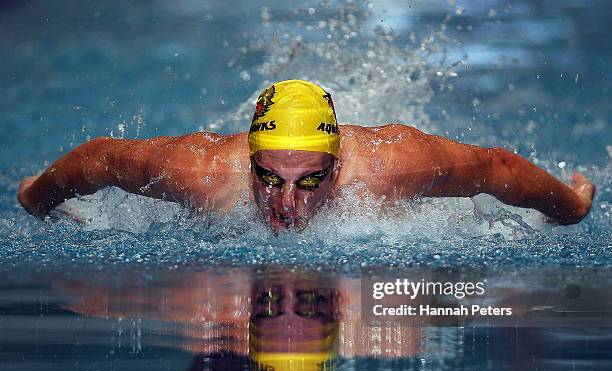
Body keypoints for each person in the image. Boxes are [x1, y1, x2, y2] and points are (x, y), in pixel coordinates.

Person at [18, 79, 595, 232]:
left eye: (309, 180)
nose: (287, 203)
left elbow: (496, 168)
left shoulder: (397, 164)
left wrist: (569, 207)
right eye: (269, 179)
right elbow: (101, 159)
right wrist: (36, 198)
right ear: (246, 162)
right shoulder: (197, 171)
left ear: (338, 168)